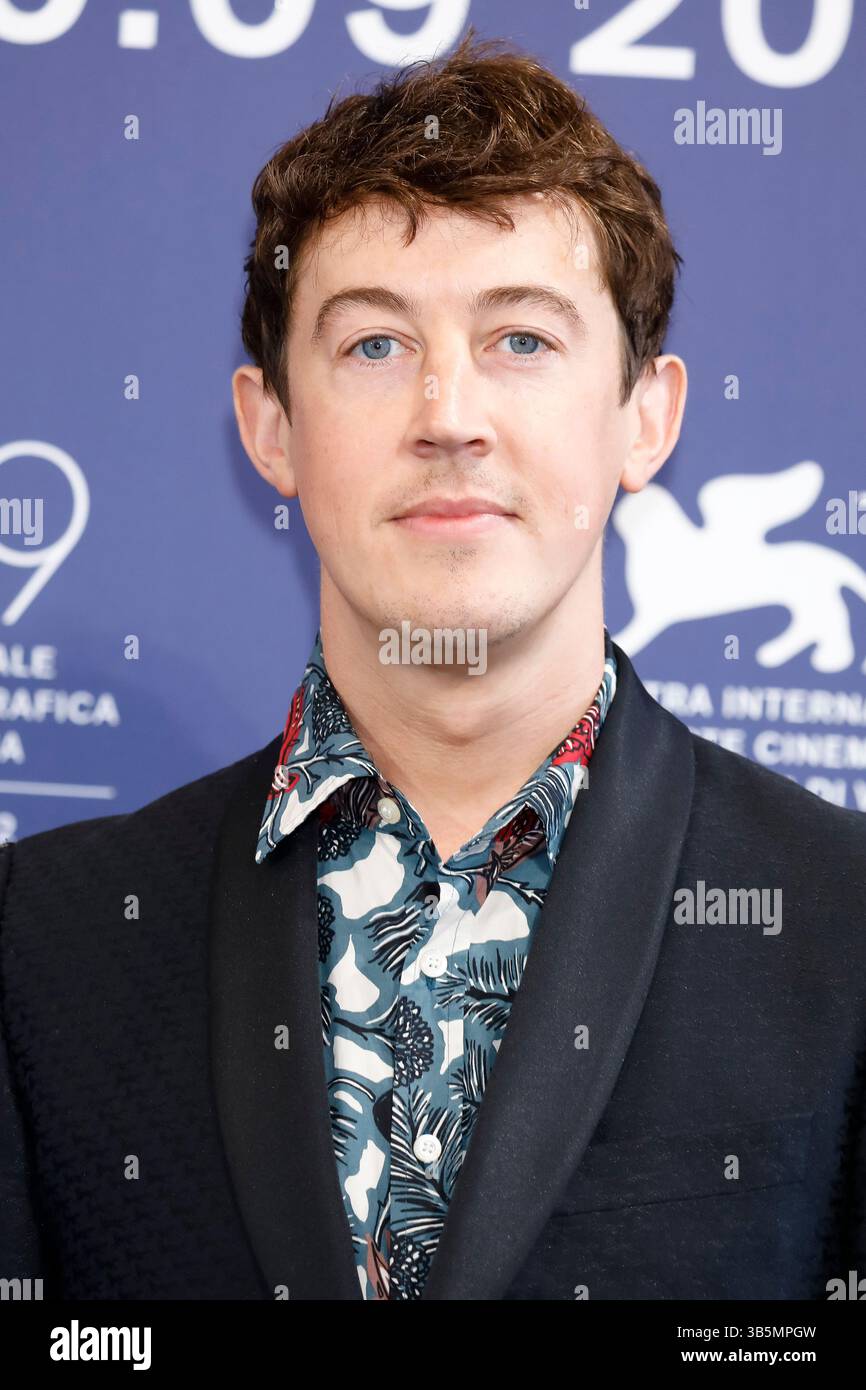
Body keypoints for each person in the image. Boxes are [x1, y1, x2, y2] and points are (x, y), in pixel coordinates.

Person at [1, 31, 864, 1304]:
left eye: (521, 339)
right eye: (372, 346)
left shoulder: (838, 925)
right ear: (270, 427)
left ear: (646, 416)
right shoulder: (45, 942)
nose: (448, 413)